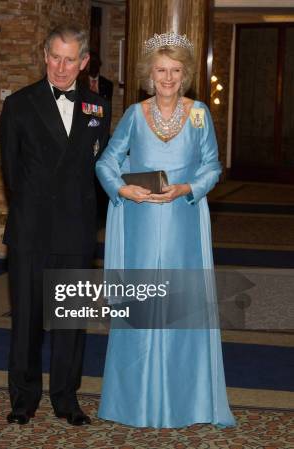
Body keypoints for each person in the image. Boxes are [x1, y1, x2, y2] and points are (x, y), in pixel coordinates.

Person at [95, 31, 236, 428]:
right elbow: (106, 161)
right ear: (149, 74)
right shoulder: (135, 115)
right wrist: (123, 188)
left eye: (175, 70)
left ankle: (185, 401)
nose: (168, 78)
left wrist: (187, 188)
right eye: (161, 70)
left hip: (182, 225)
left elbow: (212, 165)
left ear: (185, 73)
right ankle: (134, 401)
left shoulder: (198, 114)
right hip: (140, 223)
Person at [0, 24, 111, 426]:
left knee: (70, 321)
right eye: (55, 57)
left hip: (77, 229)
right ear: (44, 55)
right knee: (27, 319)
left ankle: (67, 399)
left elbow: (101, 169)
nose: (61, 67)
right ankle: (22, 399)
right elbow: (11, 172)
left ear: (83, 63)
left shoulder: (99, 107)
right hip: (31, 228)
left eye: (70, 59)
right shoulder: (18, 104)